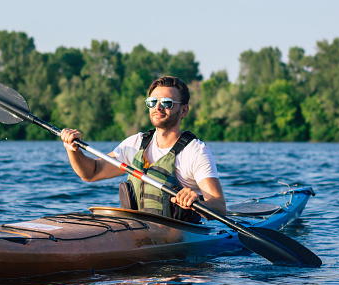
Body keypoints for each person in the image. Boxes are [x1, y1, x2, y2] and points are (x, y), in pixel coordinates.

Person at [60, 76, 226, 223]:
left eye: (167, 103)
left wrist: (196, 202)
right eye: (152, 102)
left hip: (177, 237)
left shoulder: (195, 152)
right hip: (134, 231)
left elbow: (219, 206)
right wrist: (73, 150)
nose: (158, 107)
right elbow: (92, 173)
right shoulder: (135, 143)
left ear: (184, 110)